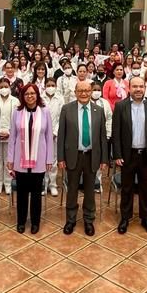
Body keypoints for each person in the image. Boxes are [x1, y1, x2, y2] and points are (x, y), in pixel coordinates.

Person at [113, 76, 147, 235]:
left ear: (145, 87)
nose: (138, 89)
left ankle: (145, 218)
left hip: (146, 156)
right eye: (135, 86)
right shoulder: (121, 106)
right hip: (128, 155)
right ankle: (125, 218)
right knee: (126, 188)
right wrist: (118, 154)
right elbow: (116, 133)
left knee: (145, 188)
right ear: (129, 88)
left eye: (141, 86)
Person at [57, 80, 108, 236]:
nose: (84, 94)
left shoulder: (98, 110)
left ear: (91, 91)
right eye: (80, 91)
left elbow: (102, 137)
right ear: (75, 92)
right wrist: (60, 158)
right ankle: (71, 220)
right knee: (72, 189)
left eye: (87, 90)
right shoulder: (67, 109)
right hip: (73, 156)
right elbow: (61, 135)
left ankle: (88, 220)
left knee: (90, 190)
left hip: (92, 156)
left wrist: (104, 159)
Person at [7, 84, 54, 234]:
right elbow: (12, 137)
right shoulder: (17, 112)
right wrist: (10, 158)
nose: (30, 96)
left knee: (36, 194)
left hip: (39, 159)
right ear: (22, 96)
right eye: (26, 94)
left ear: (37, 95)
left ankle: (35, 222)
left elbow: (48, 137)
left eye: (32, 93)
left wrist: (49, 159)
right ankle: (21, 221)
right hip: (20, 159)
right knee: (21, 193)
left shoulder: (45, 111)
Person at [0, 77, 18, 195]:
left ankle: (8, 183)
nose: (4, 89)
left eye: (6, 87)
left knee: (8, 160)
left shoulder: (16, 101)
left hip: (10, 134)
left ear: (10, 88)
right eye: (1, 87)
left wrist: (9, 132)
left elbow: (17, 119)